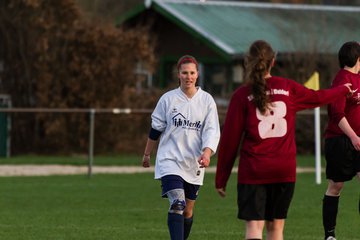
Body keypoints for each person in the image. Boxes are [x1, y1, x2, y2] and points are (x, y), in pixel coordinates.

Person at [215, 40, 353, 240]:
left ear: (248, 61)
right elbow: (318, 97)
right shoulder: (287, 88)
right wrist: (342, 90)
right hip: (283, 170)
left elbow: (229, 141)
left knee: (254, 229)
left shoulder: (241, 95)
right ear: (274, 60)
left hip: (254, 170)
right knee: (276, 230)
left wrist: (221, 178)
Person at [142, 55, 220, 240]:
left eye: (192, 72)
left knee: (187, 210)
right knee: (178, 203)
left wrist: (207, 153)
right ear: (178, 74)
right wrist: (147, 154)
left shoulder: (207, 101)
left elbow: (212, 131)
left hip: (194, 163)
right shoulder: (168, 99)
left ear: (197, 74)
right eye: (184, 73)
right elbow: (155, 129)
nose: (188, 76)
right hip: (170, 160)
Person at [322, 41, 360, 240]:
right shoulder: (342, 80)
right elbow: (337, 113)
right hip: (340, 141)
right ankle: (330, 235)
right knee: (336, 186)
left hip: (358, 141)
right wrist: (353, 136)